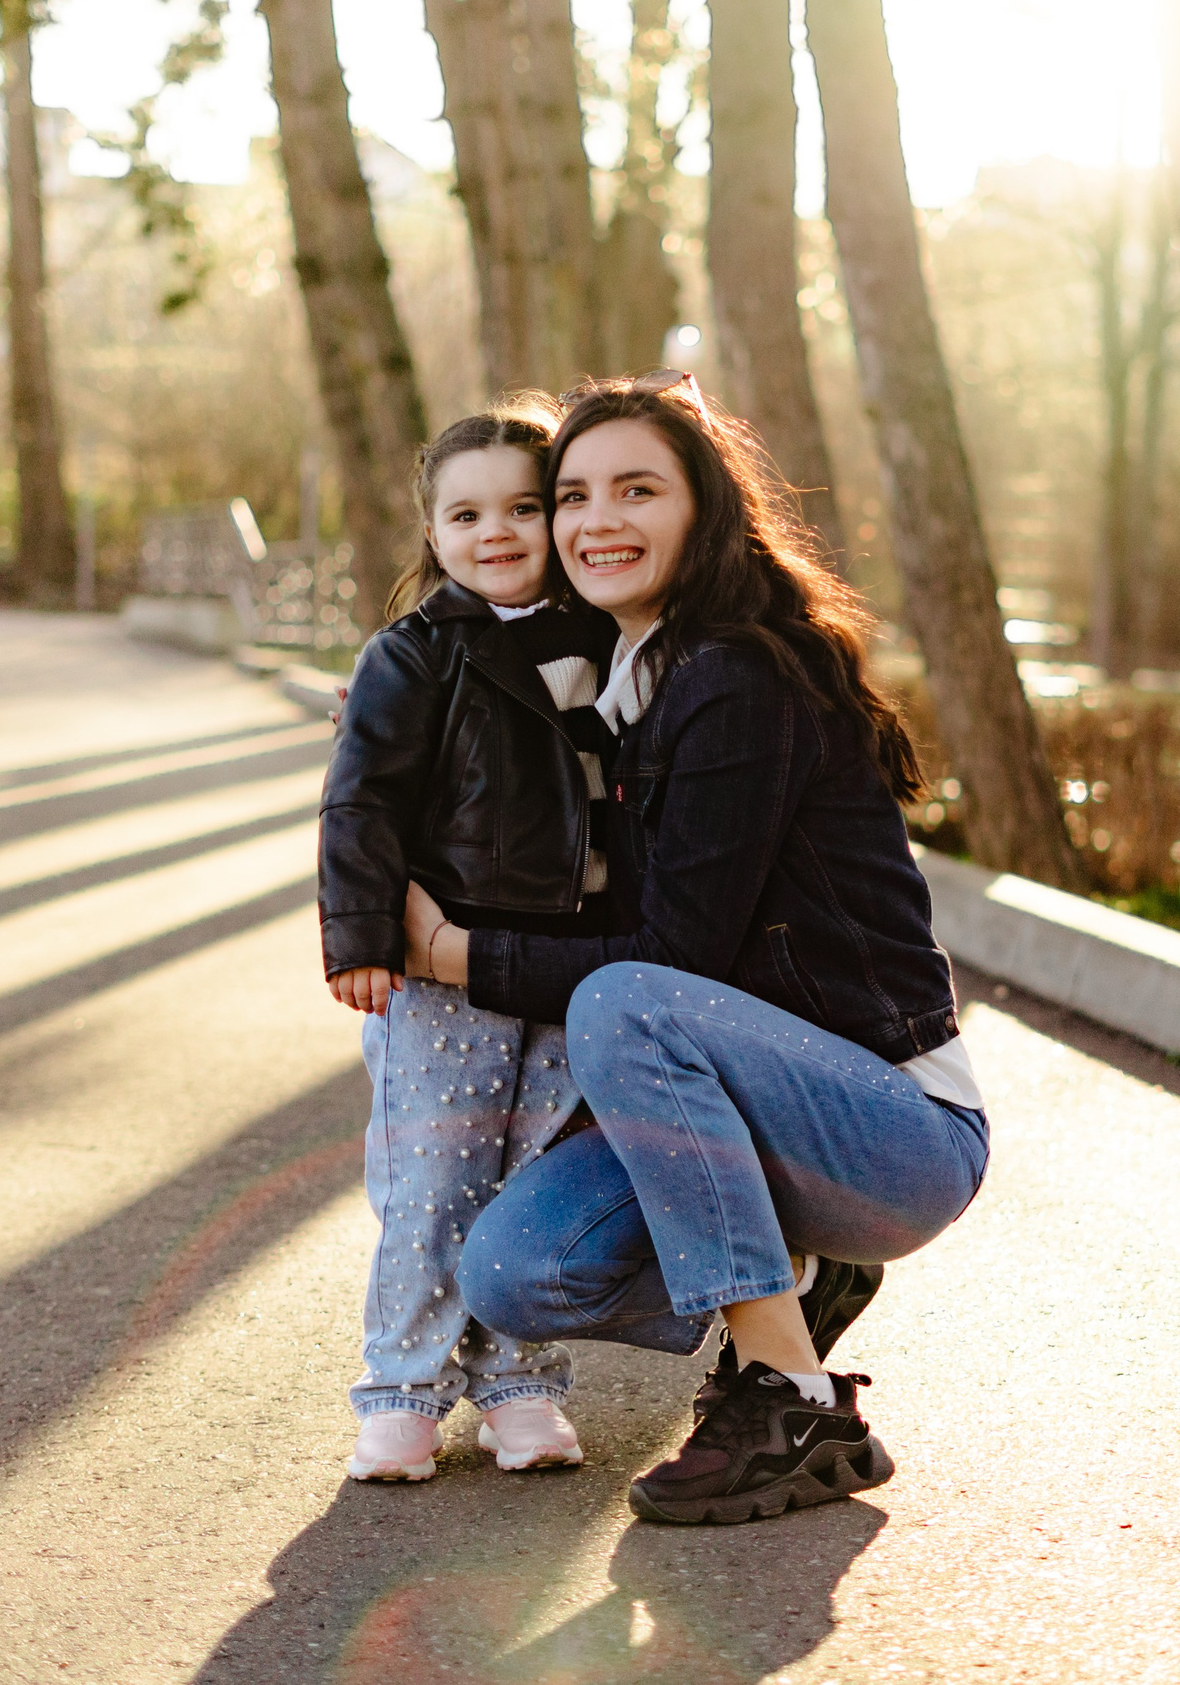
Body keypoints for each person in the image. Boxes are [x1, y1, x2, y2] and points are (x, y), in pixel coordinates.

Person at [403, 372, 990, 1525]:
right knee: (514, 1271)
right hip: (753, 1114)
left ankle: (791, 1399)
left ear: (704, 510)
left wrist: (452, 955)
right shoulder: (627, 685)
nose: (595, 521)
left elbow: (674, 956)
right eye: (571, 496)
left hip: (895, 1133)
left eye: (637, 489)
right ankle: (806, 1275)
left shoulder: (735, 677)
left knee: (629, 1000)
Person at [317, 394, 623, 1483]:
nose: (494, 533)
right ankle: (402, 1391)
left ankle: (518, 1390)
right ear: (434, 533)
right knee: (435, 1177)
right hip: (443, 968)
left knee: (528, 1178)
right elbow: (360, 803)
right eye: (464, 516)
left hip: (570, 963)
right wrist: (361, 934)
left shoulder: (610, 639)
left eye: (523, 508)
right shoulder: (415, 654)